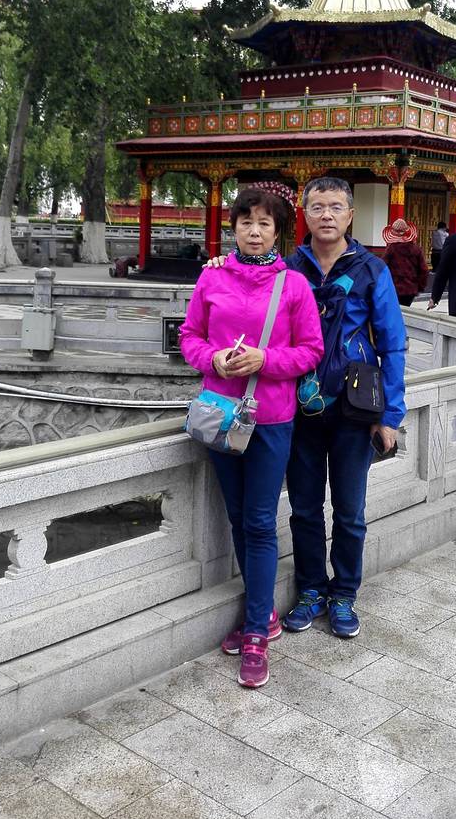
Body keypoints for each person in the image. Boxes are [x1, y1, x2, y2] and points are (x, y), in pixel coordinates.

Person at [180, 188, 323, 689]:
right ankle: (265, 614)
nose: (254, 231)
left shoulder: (294, 285)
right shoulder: (212, 276)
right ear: (234, 227)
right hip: (220, 413)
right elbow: (189, 336)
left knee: (260, 521)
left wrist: (266, 360)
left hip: (271, 417)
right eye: (246, 222)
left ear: (278, 231)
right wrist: (213, 359)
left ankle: (257, 632)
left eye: (264, 223)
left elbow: (311, 351)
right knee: (238, 516)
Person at [282, 176, 407, 640]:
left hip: (355, 410)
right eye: (318, 207)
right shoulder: (289, 268)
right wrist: (219, 261)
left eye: (336, 207)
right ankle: (311, 589)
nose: (327, 215)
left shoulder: (372, 270)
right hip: (300, 407)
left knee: (350, 511)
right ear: (305, 214)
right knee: (304, 508)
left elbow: (392, 344)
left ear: (350, 215)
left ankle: (344, 593)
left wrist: (389, 416)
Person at [383, 218, 429, 307]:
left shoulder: (391, 249)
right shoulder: (416, 249)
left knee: (395, 311)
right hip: (411, 289)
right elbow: (424, 270)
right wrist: (420, 286)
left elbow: (382, 267)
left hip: (394, 288)